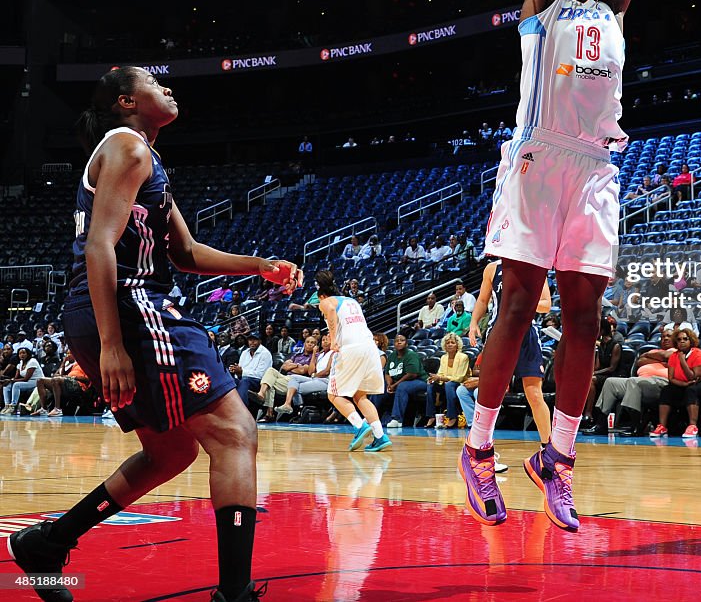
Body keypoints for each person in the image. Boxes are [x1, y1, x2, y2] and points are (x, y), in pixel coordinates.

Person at [8, 66, 301, 602]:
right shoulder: (127, 147)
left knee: (169, 454)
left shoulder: (143, 155)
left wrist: (259, 264)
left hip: (116, 308)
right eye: (152, 81)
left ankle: (47, 544)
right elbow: (99, 245)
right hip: (131, 308)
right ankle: (234, 595)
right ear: (126, 100)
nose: (167, 87)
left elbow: (185, 254)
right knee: (235, 433)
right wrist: (113, 341)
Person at [459, 0, 656, 531]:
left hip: (598, 168)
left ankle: (559, 459)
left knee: (584, 314)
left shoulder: (613, 5)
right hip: (538, 159)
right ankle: (478, 449)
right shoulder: (540, 2)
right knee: (517, 303)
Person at [470, 260, 552, 444]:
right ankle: (482, 449)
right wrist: (474, 322)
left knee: (534, 394)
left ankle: (549, 450)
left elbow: (546, 304)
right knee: (490, 395)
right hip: (499, 333)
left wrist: (524, 300)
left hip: (526, 334)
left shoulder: (535, 266)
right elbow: (483, 300)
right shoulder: (492, 268)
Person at [317, 271, 390, 451]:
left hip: (350, 349)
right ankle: (380, 436)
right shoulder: (352, 301)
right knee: (359, 395)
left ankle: (359, 425)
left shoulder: (326, 302)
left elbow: (331, 310)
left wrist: (333, 340)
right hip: (370, 347)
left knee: (333, 395)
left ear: (321, 294)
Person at [649, 328, 701, 439]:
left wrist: (682, 361)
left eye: (685, 339)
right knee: (667, 390)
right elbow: (671, 378)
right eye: (679, 339)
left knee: (691, 390)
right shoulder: (673, 356)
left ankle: (693, 426)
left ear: (690, 341)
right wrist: (682, 385)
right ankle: (662, 426)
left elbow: (693, 377)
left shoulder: (698, 354)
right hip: (685, 383)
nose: (682, 341)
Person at [425, 333, 471, 429]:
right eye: (447, 343)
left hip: (460, 384)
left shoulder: (463, 357)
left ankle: (452, 417)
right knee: (430, 385)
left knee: (449, 385)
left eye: (452, 343)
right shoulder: (443, 357)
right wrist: (434, 379)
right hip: (446, 383)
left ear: (457, 345)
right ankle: (432, 416)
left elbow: (459, 377)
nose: (450, 344)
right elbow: (441, 373)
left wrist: (441, 378)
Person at [384, 333, 428, 428]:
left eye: (402, 340)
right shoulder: (392, 355)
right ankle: (372, 416)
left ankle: (397, 419)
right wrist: (389, 384)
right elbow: (387, 372)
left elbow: (412, 374)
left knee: (402, 387)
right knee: (380, 386)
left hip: (419, 381)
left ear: (406, 343)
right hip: (397, 381)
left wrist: (394, 385)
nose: (399, 342)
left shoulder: (411, 355)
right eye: (396, 340)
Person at [230, 333, 272, 403]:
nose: (252, 342)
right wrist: (236, 371)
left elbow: (261, 375)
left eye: (255, 340)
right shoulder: (244, 353)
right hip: (243, 378)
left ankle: (242, 408)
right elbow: (240, 369)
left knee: (244, 381)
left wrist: (242, 372)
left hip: (259, 382)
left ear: (260, 341)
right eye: (250, 340)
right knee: (230, 381)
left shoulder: (265, 353)